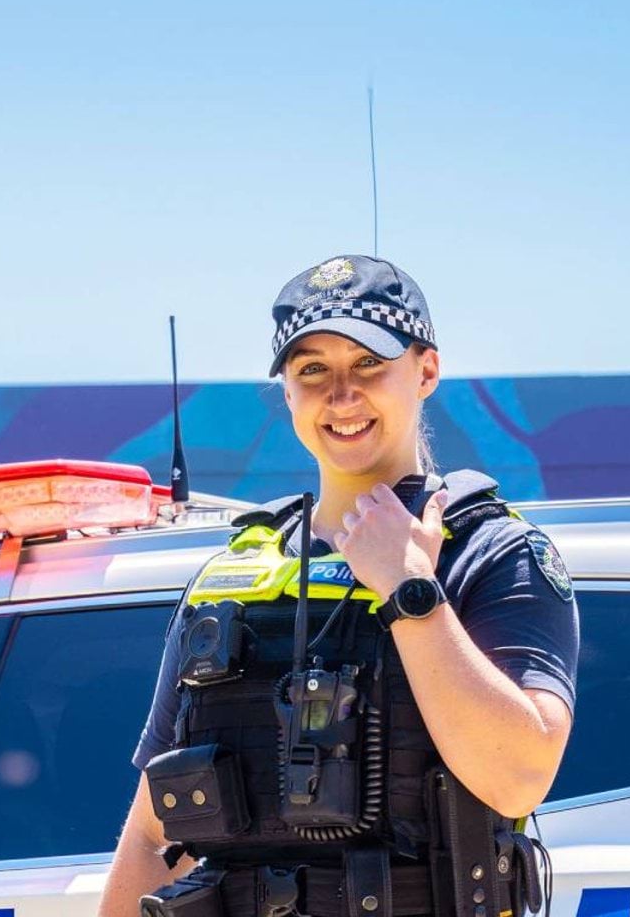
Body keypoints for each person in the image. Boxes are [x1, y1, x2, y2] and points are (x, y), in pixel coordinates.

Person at [99, 255, 579, 917]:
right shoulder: (232, 580)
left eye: (368, 365)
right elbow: (153, 833)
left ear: (427, 371)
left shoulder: (490, 553)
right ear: (289, 394)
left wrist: (409, 592)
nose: (341, 394)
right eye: (312, 371)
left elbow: (518, 775)